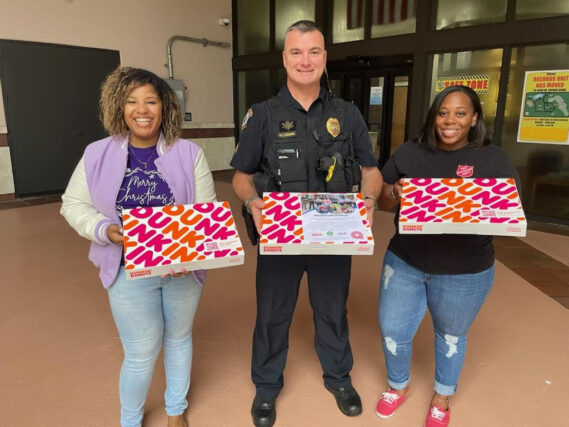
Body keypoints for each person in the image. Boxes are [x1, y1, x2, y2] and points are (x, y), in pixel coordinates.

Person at [231, 20, 382, 427]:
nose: (305, 60)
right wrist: (254, 203)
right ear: (284, 58)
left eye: (314, 51)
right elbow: (241, 176)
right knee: (272, 312)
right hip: (280, 236)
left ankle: (339, 377)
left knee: (332, 310)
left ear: (324, 58)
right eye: (296, 52)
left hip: (332, 235)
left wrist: (369, 199)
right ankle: (266, 388)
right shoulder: (262, 115)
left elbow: (371, 170)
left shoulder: (346, 115)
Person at [60, 67, 216, 427]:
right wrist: (105, 230)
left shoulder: (189, 153)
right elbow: (72, 204)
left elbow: (204, 214)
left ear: (165, 108)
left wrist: (188, 253)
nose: (141, 109)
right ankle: (130, 420)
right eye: (131, 101)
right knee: (141, 353)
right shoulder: (97, 153)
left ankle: (176, 409)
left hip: (182, 268)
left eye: (151, 100)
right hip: (128, 269)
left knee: (179, 338)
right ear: (119, 107)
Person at [375, 85, 521, 426]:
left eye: (460, 113)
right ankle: (397, 386)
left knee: (451, 335)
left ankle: (442, 397)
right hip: (406, 261)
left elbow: (512, 210)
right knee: (392, 328)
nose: (450, 121)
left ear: (474, 119)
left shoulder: (493, 159)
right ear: (433, 117)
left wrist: (480, 207)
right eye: (443, 113)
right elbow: (383, 199)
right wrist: (396, 190)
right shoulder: (412, 152)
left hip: (465, 270)